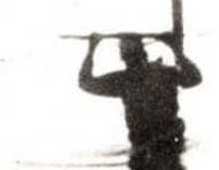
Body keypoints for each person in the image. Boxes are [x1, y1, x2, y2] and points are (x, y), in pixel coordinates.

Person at [78, 33, 201, 168]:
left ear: (123, 57)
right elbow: (194, 78)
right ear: (143, 53)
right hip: (165, 142)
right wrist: (176, 50)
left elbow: (85, 82)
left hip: (153, 144)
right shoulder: (163, 73)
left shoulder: (124, 80)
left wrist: (92, 49)